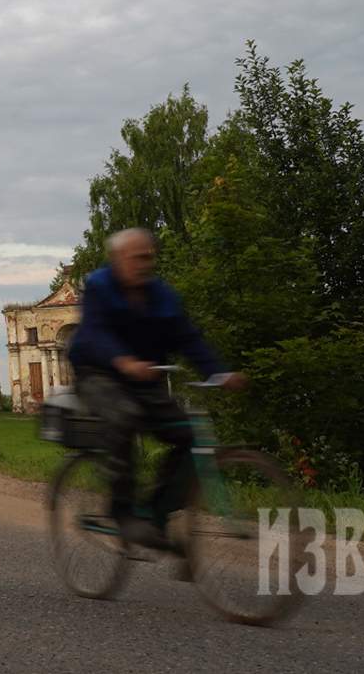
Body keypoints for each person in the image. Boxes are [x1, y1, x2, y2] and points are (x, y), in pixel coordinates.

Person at [65, 227, 247, 551]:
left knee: (188, 434)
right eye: (138, 258)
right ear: (119, 259)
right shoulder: (98, 286)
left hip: (141, 379)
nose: (145, 264)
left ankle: (155, 513)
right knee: (124, 416)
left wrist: (219, 373)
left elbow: (188, 338)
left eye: (149, 257)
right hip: (97, 374)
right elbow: (94, 334)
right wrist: (122, 360)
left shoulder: (161, 295)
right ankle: (122, 511)